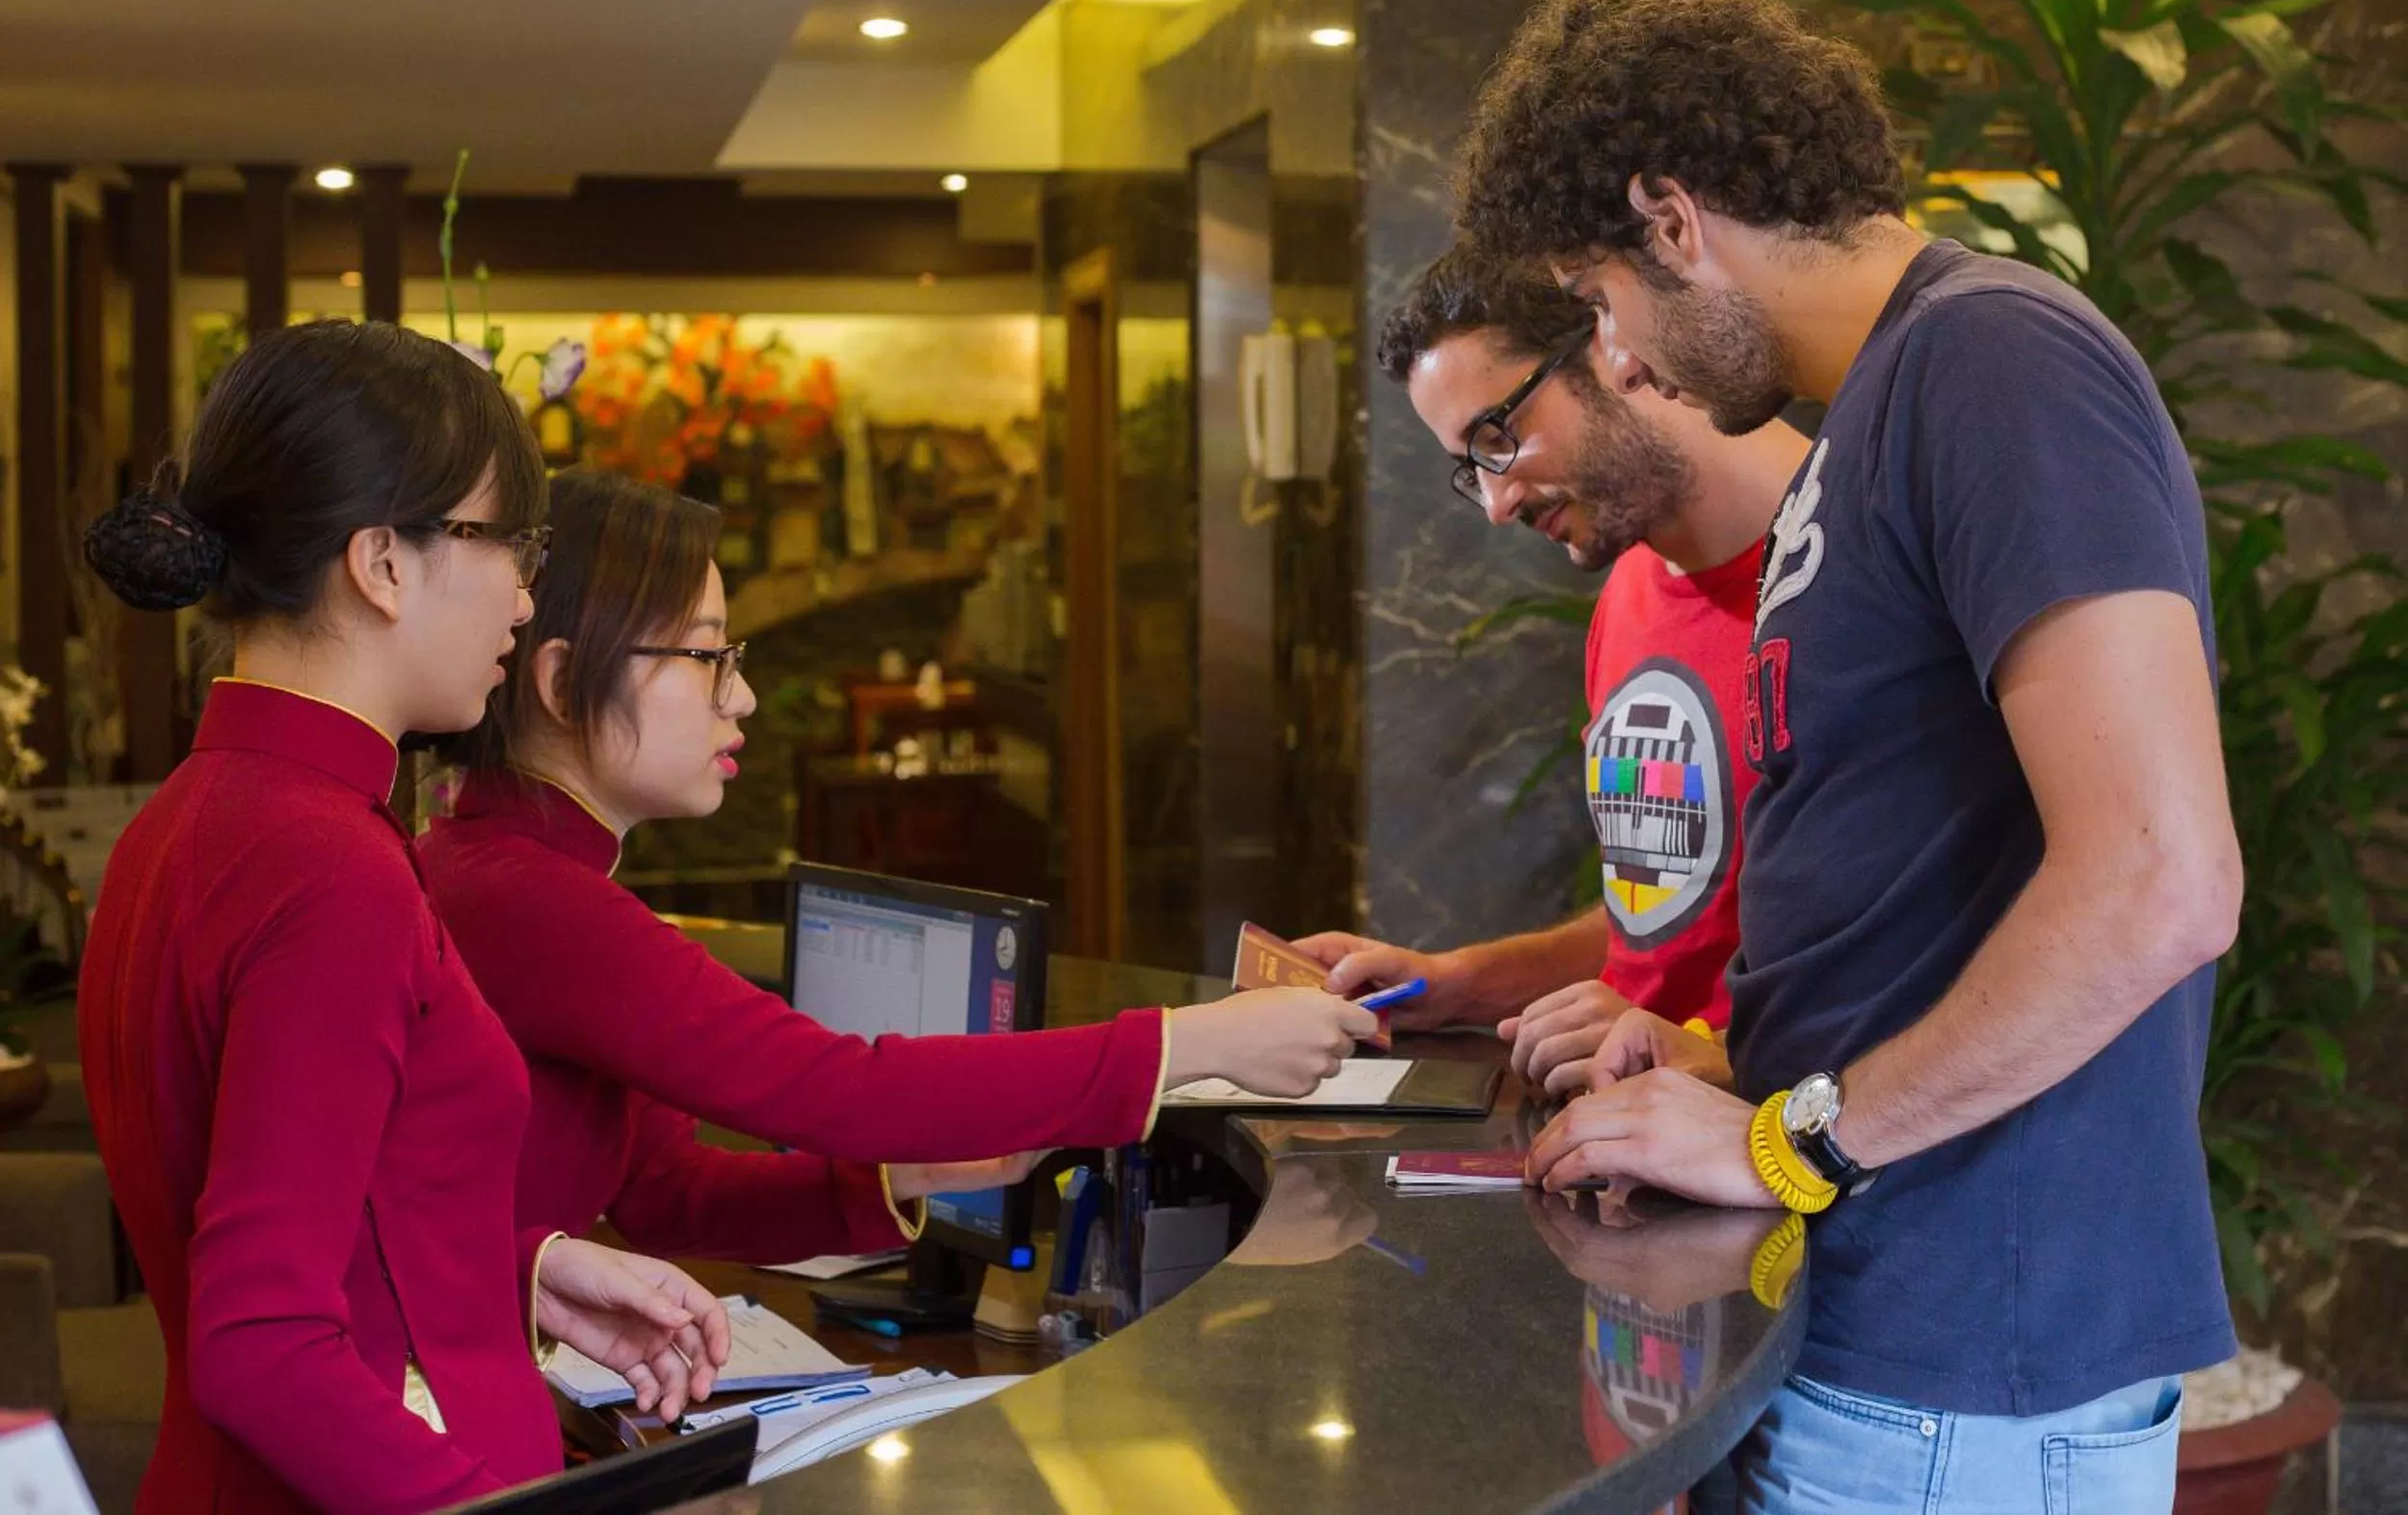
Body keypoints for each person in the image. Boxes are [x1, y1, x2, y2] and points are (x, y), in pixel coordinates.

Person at [1460, 0, 2241, 1510]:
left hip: (1973, 1365)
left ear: (1672, 218)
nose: (1624, 359)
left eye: (1606, 302)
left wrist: (1787, 1144)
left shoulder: (1993, 359)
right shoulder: (1868, 415)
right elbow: (1912, 889)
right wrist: (1720, 1061)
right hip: (1869, 1338)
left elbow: (2159, 877)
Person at [77, 323, 731, 1515]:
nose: (527, 595)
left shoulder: (195, 816)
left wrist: (519, 1272)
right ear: (382, 563)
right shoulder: (326, 865)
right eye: (509, 544)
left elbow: (304, 1215)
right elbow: (263, 1339)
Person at [418, 467, 1377, 1269]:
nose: (741, 696)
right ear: (556, 682)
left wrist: (904, 1177)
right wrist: (1197, 1042)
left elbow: (671, 1194)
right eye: (708, 657)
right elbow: (837, 1086)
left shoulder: (509, 868)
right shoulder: (529, 898)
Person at [1297, 247, 1807, 1094]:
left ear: (1610, 342)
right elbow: (1666, 916)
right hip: (1638, 1148)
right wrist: (1450, 982)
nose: (1496, 503)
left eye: (1497, 438)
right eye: (1472, 467)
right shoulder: (1631, 595)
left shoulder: (1855, 574)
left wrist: (1726, 1060)